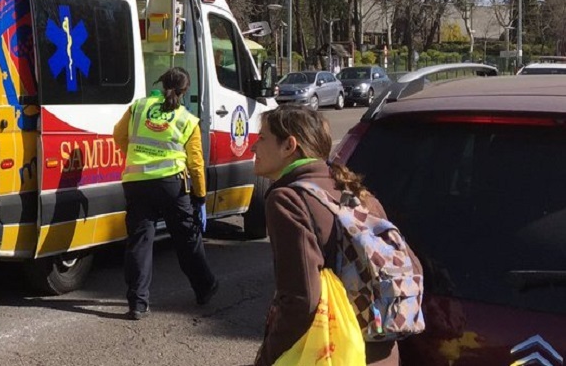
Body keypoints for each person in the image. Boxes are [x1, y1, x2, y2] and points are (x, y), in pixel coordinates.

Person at [251, 105, 414, 365]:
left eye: (262, 138)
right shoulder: (357, 192)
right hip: (381, 352)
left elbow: (301, 300)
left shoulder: (288, 199)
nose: (253, 147)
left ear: (289, 146)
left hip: (334, 354)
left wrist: (268, 357)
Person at [114, 67, 219, 320]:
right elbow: (195, 163)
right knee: (186, 239)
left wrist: (139, 156)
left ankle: (138, 304)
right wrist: (201, 198)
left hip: (137, 182)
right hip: (172, 184)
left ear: (161, 84)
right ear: (185, 91)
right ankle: (204, 287)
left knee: (140, 242)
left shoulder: (139, 106)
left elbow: (118, 135)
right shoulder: (186, 119)